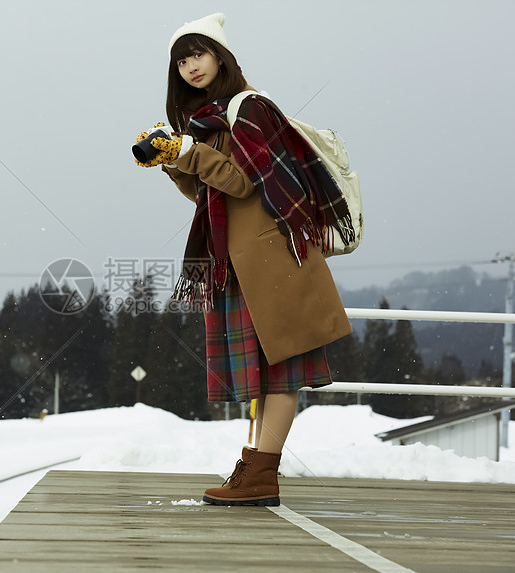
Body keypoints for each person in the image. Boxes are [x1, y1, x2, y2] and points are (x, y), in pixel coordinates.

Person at [134, 13, 354, 506]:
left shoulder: (249, 108)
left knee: (282, 372)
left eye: (199, 54)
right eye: (182, 60)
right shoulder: (209, 121)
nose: (191, 66)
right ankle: (254, 469)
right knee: (263, 372)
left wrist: (188, 150)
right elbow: (208, 194)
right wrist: (173, 161)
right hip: (239, 262)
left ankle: (261, 475)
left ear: (220, 56)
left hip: (276, 261)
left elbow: (240, 181)